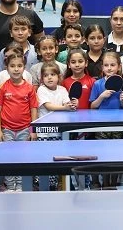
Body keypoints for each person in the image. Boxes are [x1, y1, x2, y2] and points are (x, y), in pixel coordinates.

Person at [0, 51, 38, 192]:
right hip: (7, 130)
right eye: (12, 66)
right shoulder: (2, 88)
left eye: (19, 66)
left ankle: (20, 185)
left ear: (24, 68)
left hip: (25, 130)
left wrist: (33, 130)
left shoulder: (29, 88)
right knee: (8, 158)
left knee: (22, 158)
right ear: (7, 68)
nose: (16, 69)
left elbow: (34, 109)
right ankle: (10, 185)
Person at [36, 61, 76, 191]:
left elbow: (67, 104)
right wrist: (65, 107)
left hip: (60, 131)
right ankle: (43, 184)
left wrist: (72, 105)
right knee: (46, 158)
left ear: (59, 77)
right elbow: (49, 106)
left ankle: (57, 184)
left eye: (52, 74)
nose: (49, 77)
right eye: (46, 75)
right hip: (45, 132)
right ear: (42, 78)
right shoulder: (41, 90)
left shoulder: (62, 90)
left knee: (58, 158)